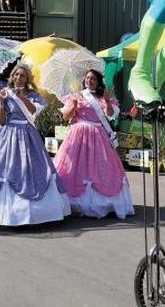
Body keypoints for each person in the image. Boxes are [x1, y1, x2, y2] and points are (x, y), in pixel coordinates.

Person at [0, 64, 71, 226]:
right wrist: (2, 103)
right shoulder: (4, 93)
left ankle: (36, 214)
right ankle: (6, 215)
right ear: (12, 76)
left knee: (31, 171)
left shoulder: (33, 95)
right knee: (7, 172)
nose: (19, 78)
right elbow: (1, 121)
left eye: (22, 76)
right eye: (16, 75)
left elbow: (34, 113)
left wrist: (23, 98)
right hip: (6, 137)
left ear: (27, 79)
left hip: (28, 135)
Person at [53, 69, 133, 218]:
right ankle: (72, 202)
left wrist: (108, 101)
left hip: (98, 135)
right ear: (84, 80)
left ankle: (102, 202)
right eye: (88, 78)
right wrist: (74, 105)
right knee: (76, 167)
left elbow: (110, 115)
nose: (89, 81)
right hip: (78, 135)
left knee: (100, 167)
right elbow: (66, 116)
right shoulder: (77, 96)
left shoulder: (103, 97)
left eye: (93, 79)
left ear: (98, 82)